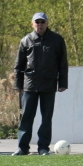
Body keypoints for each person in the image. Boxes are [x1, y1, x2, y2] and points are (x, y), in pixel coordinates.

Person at [13, 12, 68, 155]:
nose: (40, 25)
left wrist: (62, 83)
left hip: (49, 84)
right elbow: (19, 65)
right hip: (29, 85)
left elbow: (63, 64)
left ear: (47, 23)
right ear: (32, 24)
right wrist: (18, 85)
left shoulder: (57, 40)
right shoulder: (26, 40)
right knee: (26, 117)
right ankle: (22, 148)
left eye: (42, 22)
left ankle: (43, 147)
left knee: (46, 118)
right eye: (37, 22)